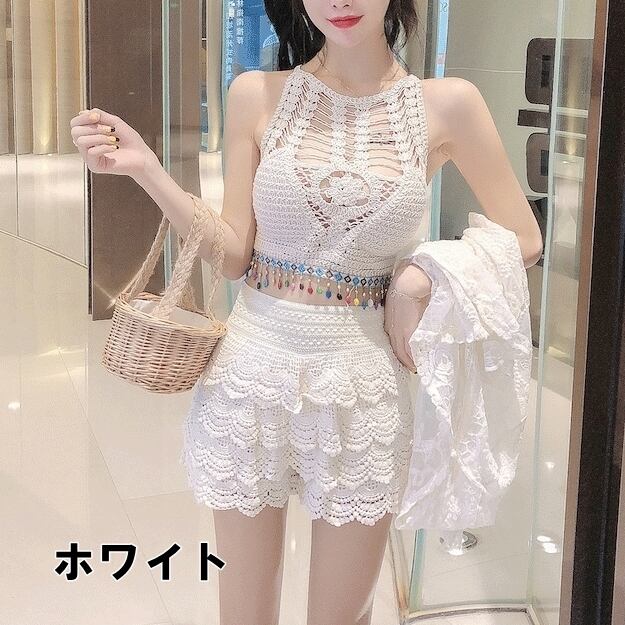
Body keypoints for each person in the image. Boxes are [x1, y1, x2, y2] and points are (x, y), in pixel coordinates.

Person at [69, 0, 543, 623]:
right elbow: (234, 255)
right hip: (250, 374)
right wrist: (147, 171)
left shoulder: (447, 104)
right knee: (242, 614)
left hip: (362, 387)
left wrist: (421, 278)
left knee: (340, 615)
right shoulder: (256, 94)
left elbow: (523, 237)